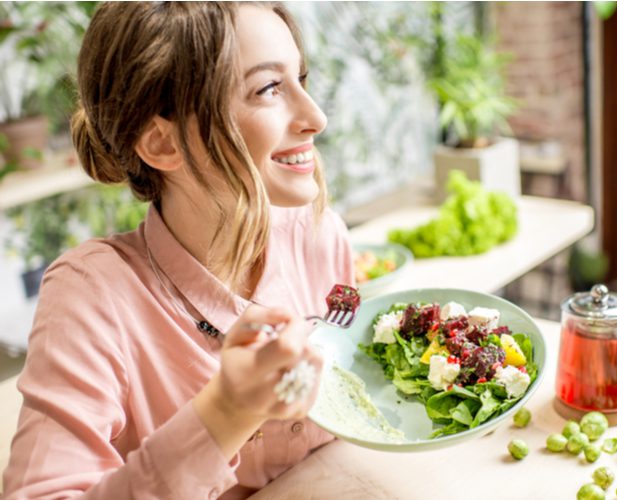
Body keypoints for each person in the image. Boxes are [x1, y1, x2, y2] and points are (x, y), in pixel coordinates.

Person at [2, 2, 354, 498]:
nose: (315, 117)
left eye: (301, 78)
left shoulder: (320, 236)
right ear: (163, 144)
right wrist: (226, 413)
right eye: (269, 89)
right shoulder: (91, 296)